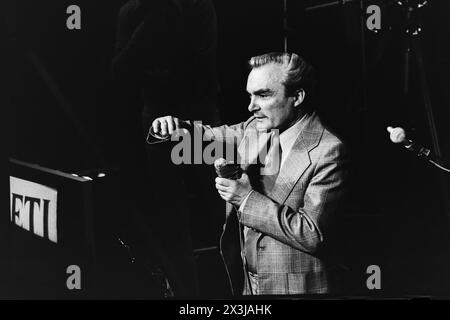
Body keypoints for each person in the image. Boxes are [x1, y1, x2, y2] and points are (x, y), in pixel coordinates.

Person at [148, 52, 349, 295]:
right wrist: (177, 126)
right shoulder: (256, 127)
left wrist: (245, 199)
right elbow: (211, 135)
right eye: (250, 95)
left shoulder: (328, 151)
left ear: (297, 96)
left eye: (263, 95)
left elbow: (312, 234)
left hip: (298, 290)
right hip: (249, 285)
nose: (251, 107)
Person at [112, 0, 220, 297]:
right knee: (170, 210)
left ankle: (244, 284)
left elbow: (198, 65)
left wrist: (151, 59)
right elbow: (120, 69)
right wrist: (150, 26)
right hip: (158, 113)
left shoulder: (197, 6)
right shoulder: (133, 11)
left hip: (196, 112)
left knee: (218, 201)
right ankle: (184, 291)